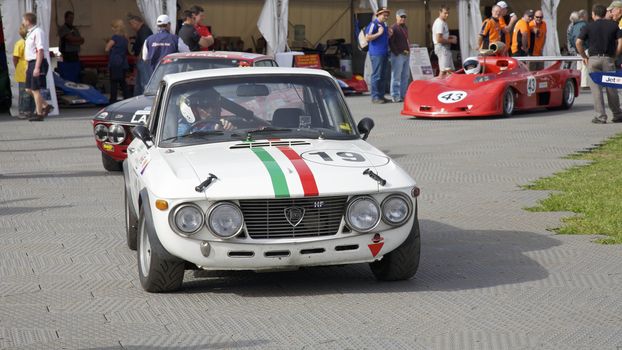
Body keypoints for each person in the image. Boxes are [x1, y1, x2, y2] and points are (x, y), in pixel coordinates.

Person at [576, 4, 622, 124]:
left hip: (593, 60)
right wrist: (615, 56)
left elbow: (578, 42)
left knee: (596, 89)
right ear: (604, 13)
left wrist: (584, 57)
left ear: (593, 14)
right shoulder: (613, 25)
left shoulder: (588, 26)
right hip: (608, 59)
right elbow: (620, 42)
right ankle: (617, 114)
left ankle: (601, 116)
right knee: (611, 88)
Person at [22, 12, 53, 122]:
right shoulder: (30, 33)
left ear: (28, 21)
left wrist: (37, 67)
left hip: (37, 62)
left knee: (35, 89)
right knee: (28, 88)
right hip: (31, 62)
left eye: (24, 20)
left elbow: (40, 50)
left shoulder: (38, 32)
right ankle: (45, 105)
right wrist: (28, 65)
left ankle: (39, 114)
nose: (23, 22)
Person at [365, 7, 391, 104]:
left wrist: (389, 35)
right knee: (376, 75)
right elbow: (367, 38)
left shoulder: (383, 25)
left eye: (387, 15)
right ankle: (375, 96)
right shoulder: (373, 24)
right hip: (376, 54)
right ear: (378, 14)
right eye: (384, 15)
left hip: (384, 53)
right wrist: (379, 33)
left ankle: (381, 95)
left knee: (383, 75)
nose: (386, 16)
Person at [12, 24, 34, 119]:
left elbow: (15, 58)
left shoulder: (19, 43)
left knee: (23, 92)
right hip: (31, 68)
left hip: (22, 70)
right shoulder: (33, 43)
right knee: (32, 91)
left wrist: (17, 66)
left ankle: (24, 111)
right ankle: (30, 110)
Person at [127, 14, 153, 96]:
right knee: (139, 81)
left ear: (135, 22)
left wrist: (140, 57)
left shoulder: (143, 31)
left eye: (131, 24)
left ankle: (144, 98)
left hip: (143, 59)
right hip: (142, 59)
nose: (131, 27)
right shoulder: (142, 30)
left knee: (144, 81)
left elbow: (145, 45)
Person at [389, 9, 410, 103]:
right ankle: (395, 95)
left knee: (405, 75)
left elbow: (406, 40)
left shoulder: (405, 27)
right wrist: (397, 52)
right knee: (396, 76)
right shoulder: (393, 28)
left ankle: (403, 94)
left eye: (404, 17)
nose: (403, 18)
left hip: (405, 54)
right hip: (398, 55)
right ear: (396, 17)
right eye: (401, 16)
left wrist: (408, 49)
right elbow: (390, 42)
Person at [105, 20, 130, 103]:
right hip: (123, 62)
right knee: (123, 82)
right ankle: (127, 99)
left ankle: (113, 100)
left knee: (114, 83)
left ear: (115, 28)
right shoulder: (126, 37)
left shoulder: (114, 38)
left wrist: (110, 46)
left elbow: (107, 48)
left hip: (115, 62)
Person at [57, 11, 84, 83]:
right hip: (67, 54)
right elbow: (69, 39)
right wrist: (76, 40)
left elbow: (82, 40)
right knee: (68, 72)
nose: (72, 19)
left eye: (73, 18)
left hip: (75, 53)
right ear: (66, 18)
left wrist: (75, 40)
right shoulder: (63, 28)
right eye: (70, 18)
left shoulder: (74, 29)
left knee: (76, 71)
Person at [432, 5, 457, 77]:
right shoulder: (440, 23)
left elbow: (442, 36)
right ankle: (438, 87)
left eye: (448, 13)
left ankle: (447, 87)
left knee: (449, 71)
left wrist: (450, 37)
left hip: (444, 48)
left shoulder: (442, 22)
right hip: (442, 48)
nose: (447, 15)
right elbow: (438, 39)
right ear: (440, 12)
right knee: (443, 72)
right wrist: (451, 41)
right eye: (445, 13)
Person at [567, 10, 589, 88]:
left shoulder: (573, 26)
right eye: (587, 15)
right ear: (583, 16)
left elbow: (570, 38)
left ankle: (578, 82)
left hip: (577, 49)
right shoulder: (585, 25)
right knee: (585, 66)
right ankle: (584, 84)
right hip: (585, 48)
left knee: (579, 67)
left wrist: (574, 48)